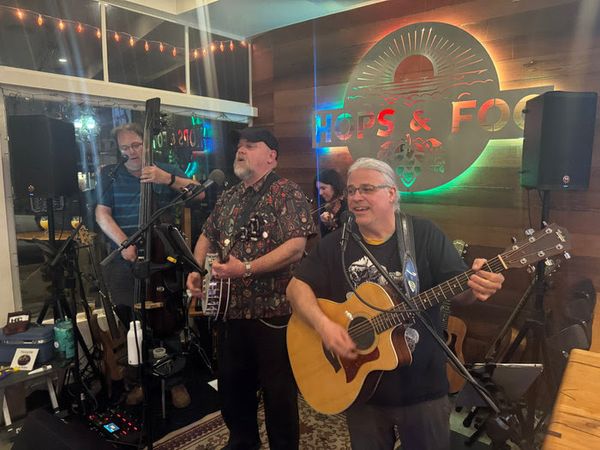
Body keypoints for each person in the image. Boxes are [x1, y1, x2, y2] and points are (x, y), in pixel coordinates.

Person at [286, 157, 505, 450]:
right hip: (360, 388)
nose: (356, 197)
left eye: (366, 189)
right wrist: (323, 325)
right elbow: (296, 287)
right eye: (351, 190)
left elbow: (460, 294)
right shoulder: (336, 243)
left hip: (422, 388)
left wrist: (477, 287)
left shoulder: (424, 235)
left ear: (391, 193)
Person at [186, 127, 315, 450]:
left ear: (271, 156)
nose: (240, 151)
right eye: (239, 147)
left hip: (274, 313)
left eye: (250, 146)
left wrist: (244, 268)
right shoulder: (229, 196)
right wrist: (196, 269)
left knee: (278, 393)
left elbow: (296, 247)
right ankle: (242, 442)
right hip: (230, 312)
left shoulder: (286, 192)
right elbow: (207, 235)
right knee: (233, 389)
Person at [95, 122, 200, 408]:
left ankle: (175, 381)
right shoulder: (111, 175)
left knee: (169, 319)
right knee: (131, 323)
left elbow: (199, 193)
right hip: (125, 260)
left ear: (146, 144)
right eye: (125, 147)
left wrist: (166, 178)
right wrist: (123, 243)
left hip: (161, 260)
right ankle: (138, 381)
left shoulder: (163, 168)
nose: (131, 152)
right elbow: (102, 214)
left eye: (136, 145)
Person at [314, 168, 347, 237]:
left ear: (334, 186)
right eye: (318, 189)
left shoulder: (348, 206)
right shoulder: (323, 208)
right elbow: (325, 238)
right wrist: (326, 225)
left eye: (323, 188)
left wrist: (332, 224)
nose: (320, 193)